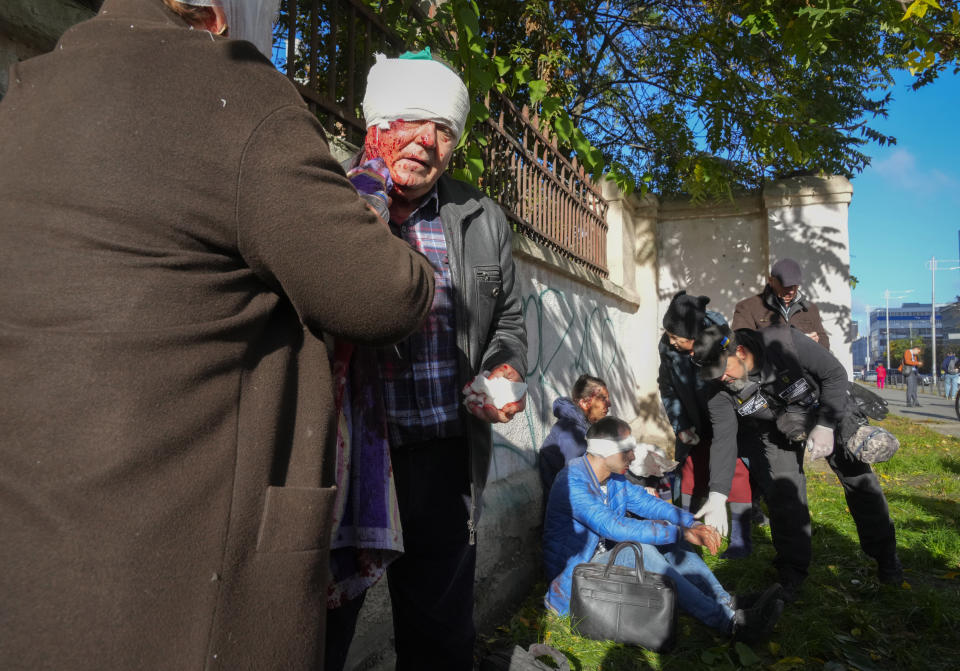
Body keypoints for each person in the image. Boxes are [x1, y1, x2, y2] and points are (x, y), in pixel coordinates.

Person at [0, 1, 437, 669]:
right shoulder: (232, 90)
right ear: (215, 14)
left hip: (36, 565)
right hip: (179, 585)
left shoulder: (31, 90)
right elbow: (384, 292)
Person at [324, 51, 528, 671]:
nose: (426, 141)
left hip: (444, 463)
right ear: (375, 123)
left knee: (440, 639)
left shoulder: (482, 218)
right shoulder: (328, 199)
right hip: (350, 459)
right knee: (320, 632)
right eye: (410, 120)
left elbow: (511, 325)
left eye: (442, 129)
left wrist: (505, 369)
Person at [693, 324, 903, 602]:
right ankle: (792, 573)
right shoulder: (719, 389)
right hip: (775, 429)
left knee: (859, 481)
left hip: (823, 407)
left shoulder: (784, 342)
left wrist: (827, 425)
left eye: (723, 370)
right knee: (783, 493)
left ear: (740, 352)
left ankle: (886, 558)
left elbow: (834, 374)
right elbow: (723, 438)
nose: (721, 379)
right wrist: (718, 493)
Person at [543, 417, 784, 642]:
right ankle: (731, 625)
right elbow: (613, 526)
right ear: (605, 449)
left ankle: (724, 601)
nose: (633, 454)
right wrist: (680, 531)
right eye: (627, 447)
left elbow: (649, 504)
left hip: (604, 558)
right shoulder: (571, 481)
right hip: (576, 580)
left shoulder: (614, 478)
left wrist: (691, 523)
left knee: (672, 538)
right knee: (641, 548)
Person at [658, 291, 754, 558]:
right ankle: (691, 533)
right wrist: (681, 424)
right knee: (690, 471)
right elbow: (667, 386)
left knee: (735, 471)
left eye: (676, 337)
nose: (670, 341)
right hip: (693, 421)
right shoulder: (668, 347)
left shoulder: (720, 339)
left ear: (695, 337)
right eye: (668, 334)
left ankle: (740, 540)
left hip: (725, 416)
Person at [732, 257, 830, 349]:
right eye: (785, 286)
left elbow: (824, 343)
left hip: (802, 367)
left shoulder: (810, 309)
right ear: (771, 281)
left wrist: (814, 344)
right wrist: (791, 343)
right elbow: (741, 343)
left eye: (794, 286)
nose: (791, 291)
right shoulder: (747, 307)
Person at [538, 374, 610, 497]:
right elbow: (578, 487)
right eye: (603, 398)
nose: (609, 404)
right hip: (570, 511)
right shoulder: (570, 433)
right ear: (584, 403)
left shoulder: (586, 428)